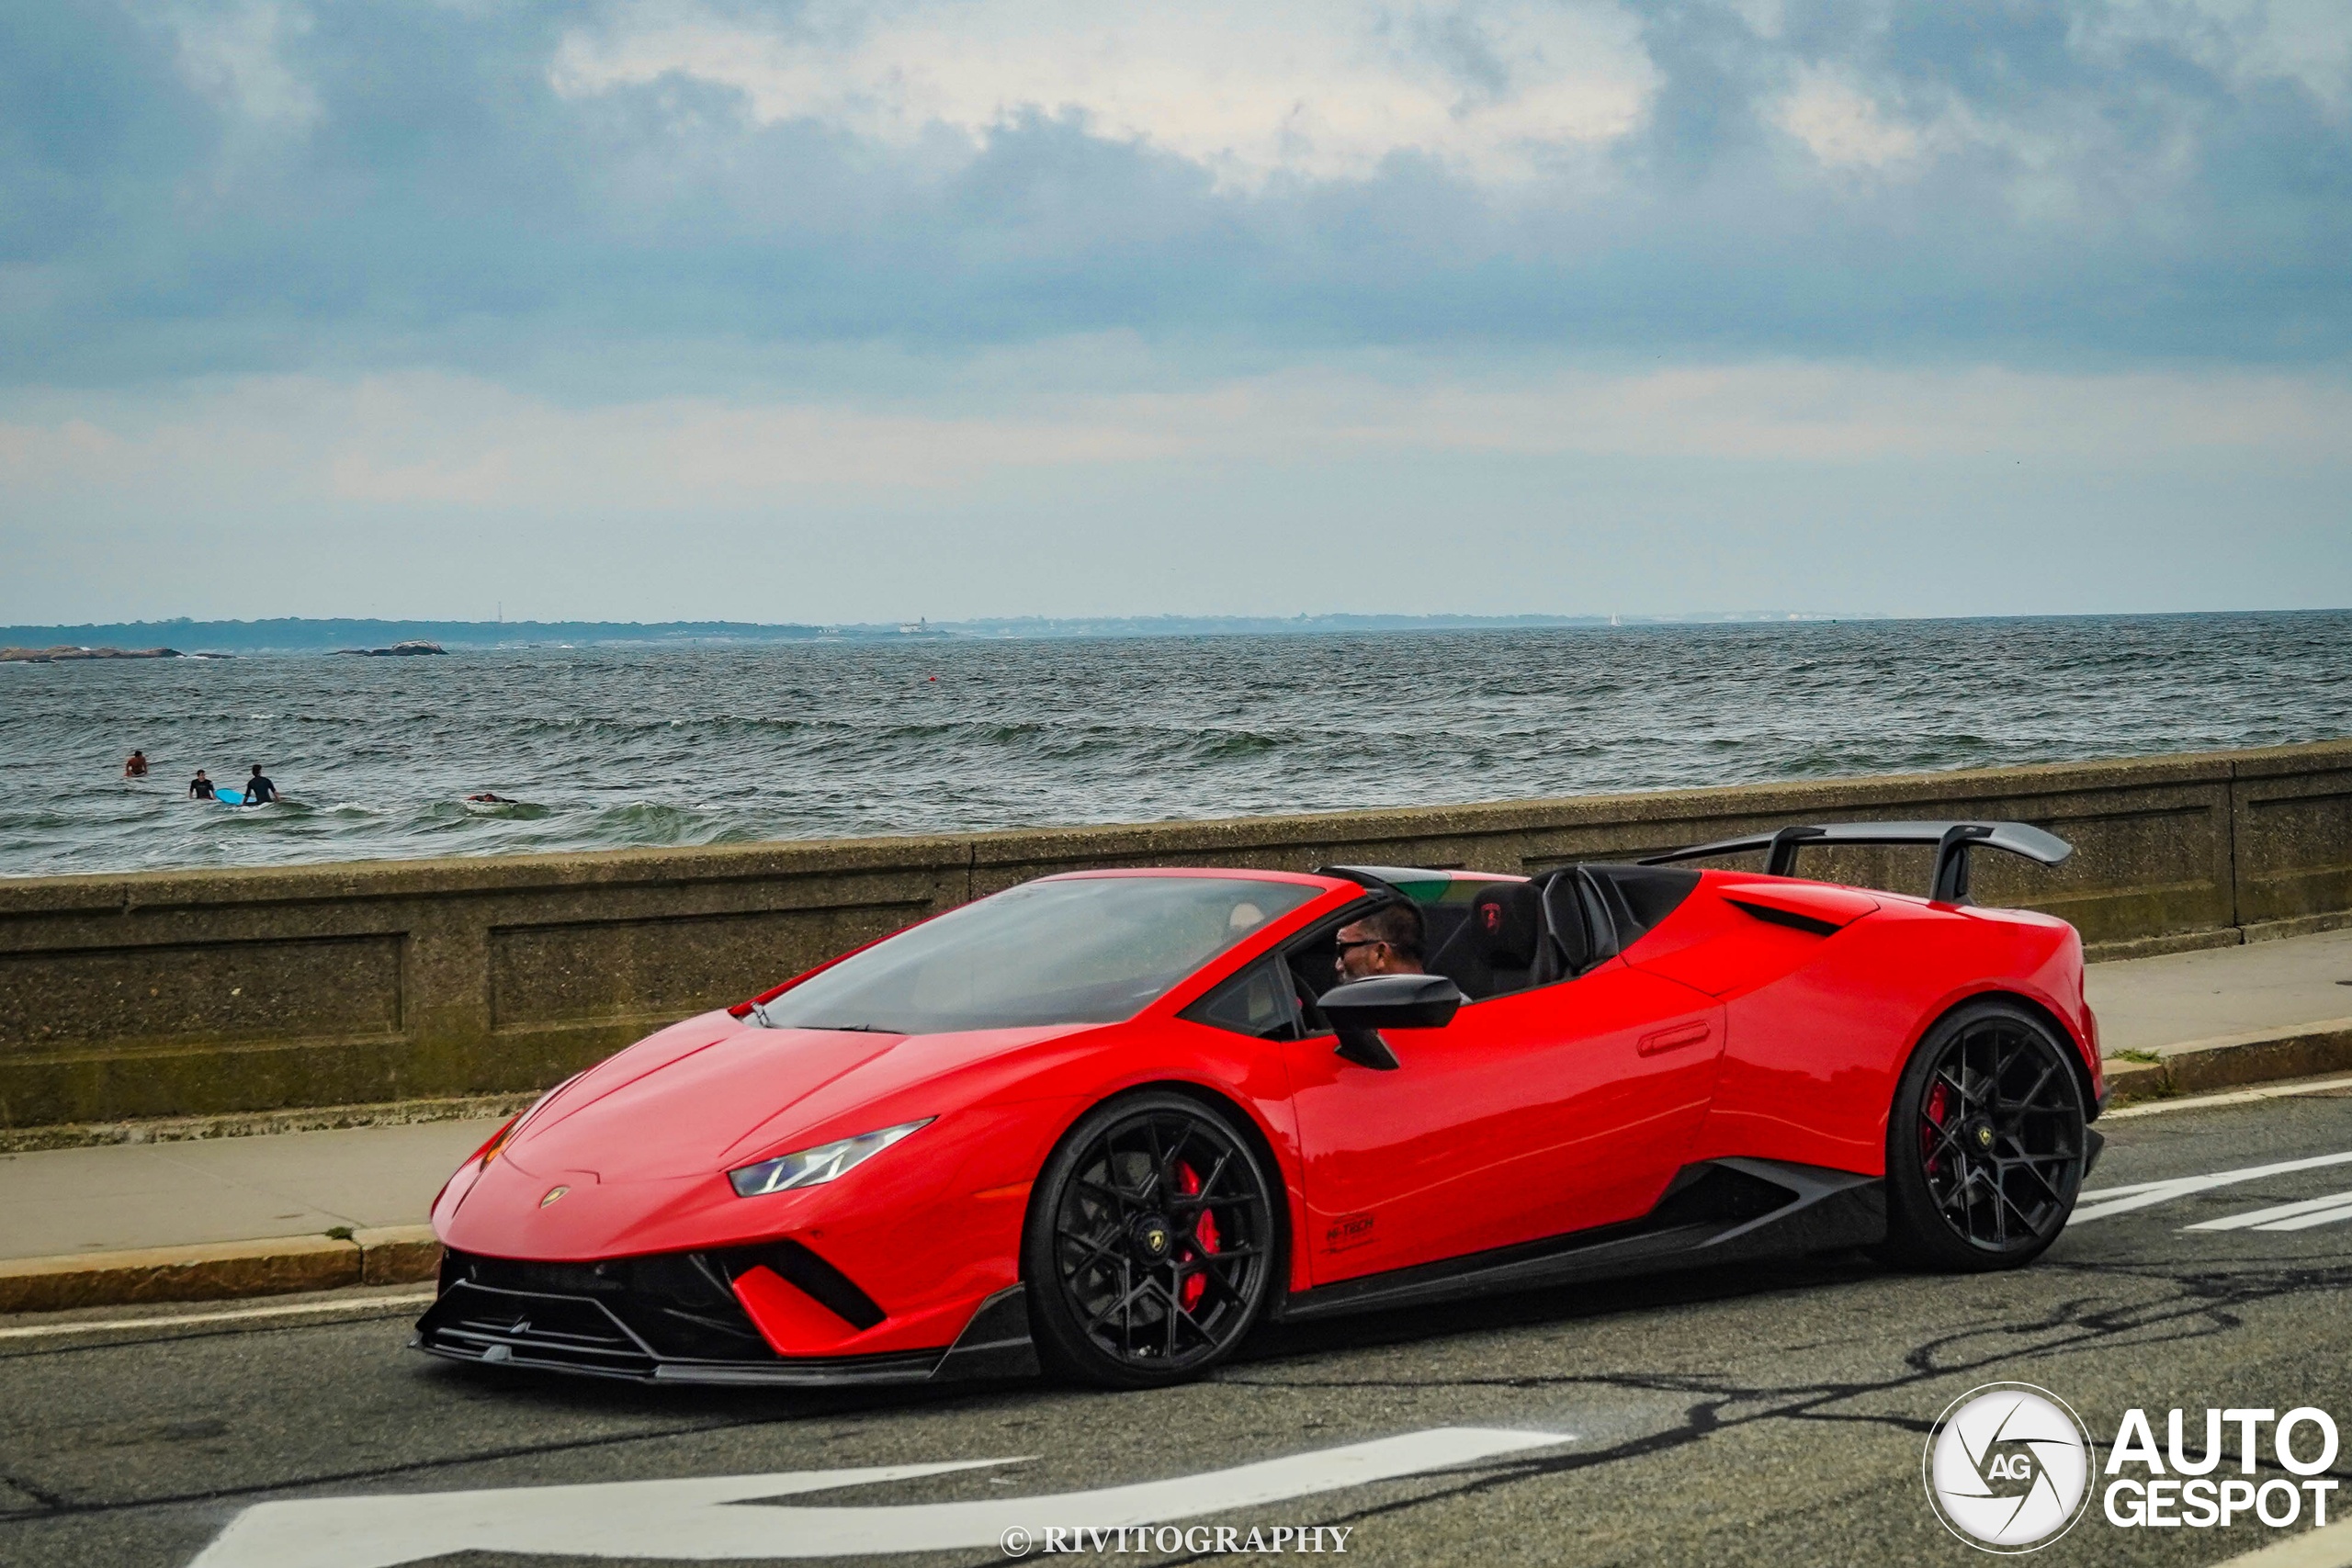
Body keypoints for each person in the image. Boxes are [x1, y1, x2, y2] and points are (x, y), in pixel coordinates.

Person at [1333, 899, 1426, 981]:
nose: (1338, 966)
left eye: (1343, 950)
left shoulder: (1354, 1000)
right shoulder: (1435, 996)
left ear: (1380, 954)